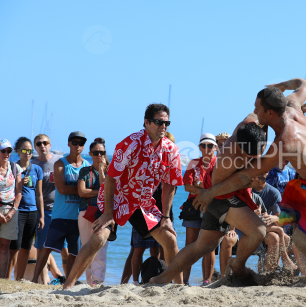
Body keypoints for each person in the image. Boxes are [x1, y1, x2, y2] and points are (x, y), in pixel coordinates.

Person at [192, 78, 306, 278]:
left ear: (270, 113)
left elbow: (246, 175)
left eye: (258, 108)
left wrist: (210, 192)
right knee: (295, 226)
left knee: (301, 240)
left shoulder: (284, 143)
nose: (255, 112)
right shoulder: (290, 105)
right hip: (305, 183)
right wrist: (279, 87)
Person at [63, 104, 184, 289]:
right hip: (117, 198)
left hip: (143, 203)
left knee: (170, 239)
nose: (164, 126)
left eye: (167, 122)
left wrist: (166, 217)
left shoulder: (171, 150)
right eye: (159, 122)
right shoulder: (130, 143)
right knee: (98, 238)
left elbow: (170, 184)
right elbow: (111, 179)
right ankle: (68, 287)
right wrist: (109, 213)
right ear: (147, 122)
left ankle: (179, 288)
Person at [151, 117, 268, 285]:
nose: (252, 156)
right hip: (221, 196)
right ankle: (237, 267)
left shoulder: (248, 133)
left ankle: (161, 278)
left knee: (202, 246)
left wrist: (257, 182)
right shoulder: (231, 155)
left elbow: (259, 186)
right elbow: (230, 184)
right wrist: (251, 180)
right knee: (258, 231)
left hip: (219, 196)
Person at [32, 131, 90, 283]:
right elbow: (62, 189)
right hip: (60, 215)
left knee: (73, 253)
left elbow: (88, 190)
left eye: (81, 143)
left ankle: (69, 282)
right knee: (47, 248)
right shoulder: (60, 164)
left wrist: (84, 191)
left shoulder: (87, 166)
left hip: (78, 217)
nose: (78, 146)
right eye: (75, 142)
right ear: (69, 143)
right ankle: (33, 279)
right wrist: (82, 190)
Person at [181, 133, 217, 285]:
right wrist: (205, 188)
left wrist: (199, 186)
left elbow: (219, 187)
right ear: (199, 147)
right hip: (194, 207)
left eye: (210, 145)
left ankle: (207, 280)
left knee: (209, 245)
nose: (207, 148)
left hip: (213, 206)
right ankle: (185, 280)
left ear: (215, 147)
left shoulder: (221, 164)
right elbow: (187, 186)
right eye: (204, 145)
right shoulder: (193, 163)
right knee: (190, 244)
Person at [30, 134, 65, 284]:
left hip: (60, 210)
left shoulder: (58, 161)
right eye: (39, 144)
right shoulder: (33, 164)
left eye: (45, 143)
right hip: (41, 212)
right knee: (41, 248)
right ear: (35, 147)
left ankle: (69, 278)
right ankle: (44, 282)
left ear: (50, 145)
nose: (42, 145)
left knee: (65, 248)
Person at [8, 137, 44, 281]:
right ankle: (6, 277)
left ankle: (19, 279)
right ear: (18, 151)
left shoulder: (37, 169)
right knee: (14, 247)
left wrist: (41, 216)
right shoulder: (12, 167)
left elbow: (39, 194)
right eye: (24, 150)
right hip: (18, 211)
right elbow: (8, 190)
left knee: (26, 248)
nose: (27, 153)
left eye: (30, 150)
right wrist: (20, 183)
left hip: (32, 212)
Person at [77, 138, 110, 286]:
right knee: (87, 248)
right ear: (90, 153)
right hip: (86, 213)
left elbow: (107, 190)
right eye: (96, 152)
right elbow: (82, 192)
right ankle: (89, 280)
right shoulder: (85, 171)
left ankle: (98, 281)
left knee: (101, 249)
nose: (99, 155)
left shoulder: (110, 171)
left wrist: (102, 171)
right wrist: (99, 193)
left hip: (103, 215)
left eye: (102, 152)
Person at [251, 172, 296, 272]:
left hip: (262, 225)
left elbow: (277, 219)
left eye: (265, 171)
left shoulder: (273, 192)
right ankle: (271, 269)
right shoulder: (247, 190)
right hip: (248, 226)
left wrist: (275, 218)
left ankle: (274, 268)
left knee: (286, 237)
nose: (260, 174)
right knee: (276, 236)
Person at [0, 139, 22, 278]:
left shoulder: (15, 168)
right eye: (3, 150)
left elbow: (19, 192)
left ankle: (1, 279)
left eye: (9, 151)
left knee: (5, 247)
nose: (7, 153)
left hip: (9, 211)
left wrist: (12, 211)